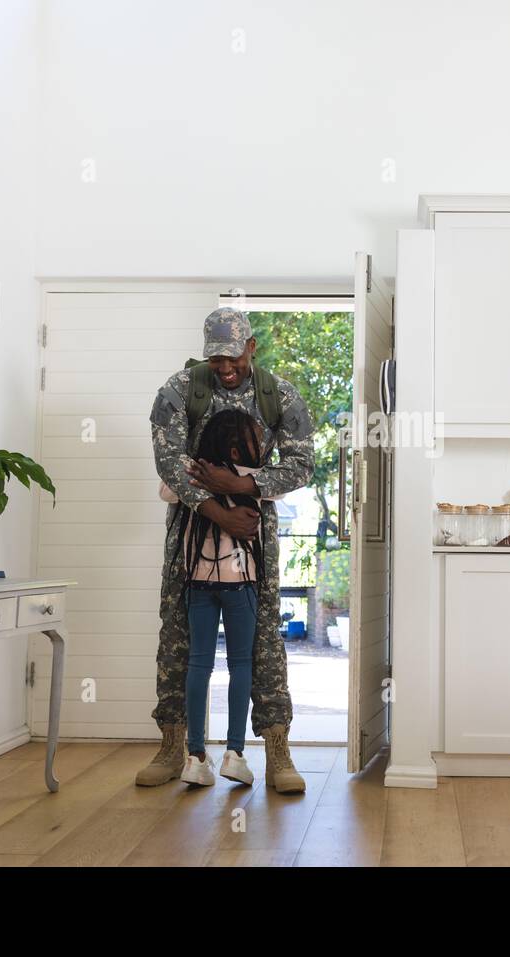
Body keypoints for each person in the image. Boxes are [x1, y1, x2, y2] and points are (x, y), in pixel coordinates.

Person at [141, 307, 315, 793]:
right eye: (216, 359)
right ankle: (175, 746)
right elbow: (169, 461)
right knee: (178, 638)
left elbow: (303, 466)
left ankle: (276, 750)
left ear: (251, 347)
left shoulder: (278, 395)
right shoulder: (178, 391)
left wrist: (237, 481)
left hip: (256, 536)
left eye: (233, 357)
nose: (225, 368)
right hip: (189, 534)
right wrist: (218, 510)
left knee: (263, 642)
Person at [169, 410, 273, 786]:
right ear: (235, 445)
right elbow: (278, 485)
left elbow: (167, 489)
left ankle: (195, 758)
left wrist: (208, 476)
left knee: (199, 666)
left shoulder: (190, 476)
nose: (260, 446)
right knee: (240, 665)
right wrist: (237, 481)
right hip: (240, 583)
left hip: (198, 583)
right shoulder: (253, 479)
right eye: (254, 440)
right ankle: (234, 753)